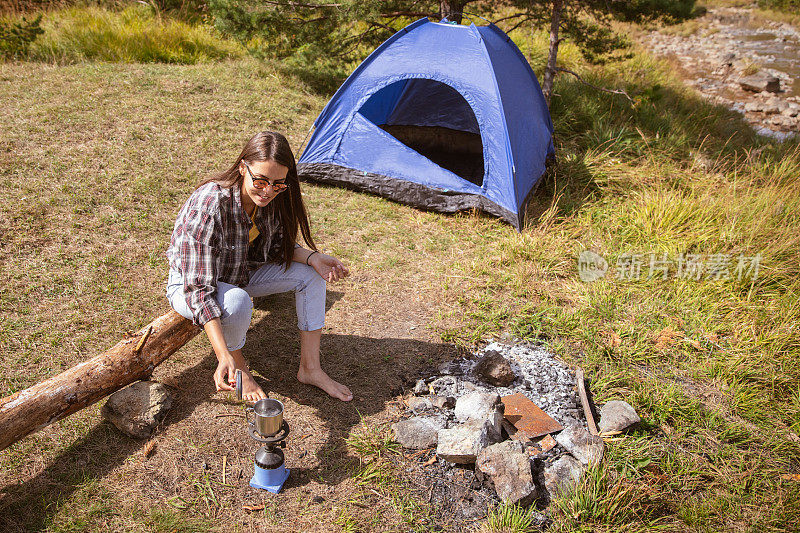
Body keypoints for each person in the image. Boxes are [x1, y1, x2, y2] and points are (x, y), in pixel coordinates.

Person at [165, 131, 352, 402]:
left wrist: (313, 258)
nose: (268, 191)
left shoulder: (274, 198)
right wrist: (223, 355)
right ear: (243, 168)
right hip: (189, 284)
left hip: (241, 272)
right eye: (261, 181)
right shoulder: (209, 205)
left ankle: (310, 369)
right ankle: (238, 368)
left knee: (311, 276)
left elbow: (276, 249)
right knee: (237, 302)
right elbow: (199, 290)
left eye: (278, 184)